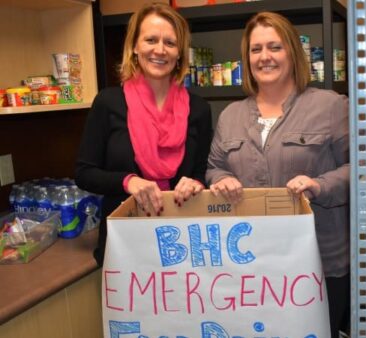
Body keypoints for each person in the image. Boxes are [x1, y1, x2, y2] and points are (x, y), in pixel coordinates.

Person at [206, 11, 350, 337]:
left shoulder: (330, 106)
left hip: (319, 263)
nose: (265, 57)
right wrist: (220, 180)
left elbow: (361, 170)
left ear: (292, 53)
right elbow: (214, 168)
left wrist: (319, 185)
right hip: (250, 265)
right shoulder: (231, 116)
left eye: (275, 47)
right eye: (256, 50)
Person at [75, 2, 213, 266]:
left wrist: (197, 183)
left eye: (170, 43)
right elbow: (84, 173)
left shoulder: (199, 109)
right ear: (135, 47)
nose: (160, 50)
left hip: (183, 244)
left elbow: (202, 171)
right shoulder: (108, 103)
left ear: (180, 53)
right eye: (151, 39)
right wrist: (129, 182)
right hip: (124, 246)